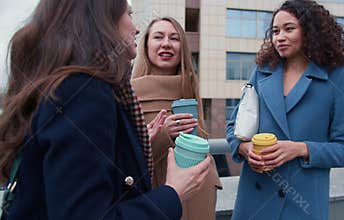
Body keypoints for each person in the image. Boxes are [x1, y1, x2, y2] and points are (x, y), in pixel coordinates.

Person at [0, 0, 211, 219]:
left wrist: (135, 144)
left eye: (174, 38)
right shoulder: (83, 91)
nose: (136, 27)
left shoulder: (63, 82)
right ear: (103, 20)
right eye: (128, 15)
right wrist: (172, 193)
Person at [226, 0, 344, 219]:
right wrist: (245, 149)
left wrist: (300, 149)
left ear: (311, 30)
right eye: (275, 31)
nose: (279, 37)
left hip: (302, 205)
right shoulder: (262, 71)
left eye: (289, 29)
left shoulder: (336, 77)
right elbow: (233, 127)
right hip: (254, 201)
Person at [131, 17, 221, 220]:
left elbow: (200, 139)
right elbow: (124, 158)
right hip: (158, 193)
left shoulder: (189, 86)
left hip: (200, 189)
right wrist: (164, 134)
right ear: (146, 44)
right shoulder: (129, 92)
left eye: (174, 38)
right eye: (158, 37)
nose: (166, 44)